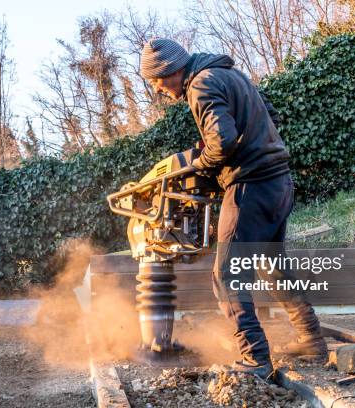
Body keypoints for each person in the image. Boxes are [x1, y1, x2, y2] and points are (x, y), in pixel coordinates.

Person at [139, 38, 327, 380]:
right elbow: (269, 114)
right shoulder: (230, 74)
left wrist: (202, 163)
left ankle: (255, 359)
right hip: (279, 182)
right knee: (273, 267)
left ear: (169, 70)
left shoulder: (200, 84)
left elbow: (222, 141)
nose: (159, 89)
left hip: (250, 187)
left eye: (157, 82)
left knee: (226, 276)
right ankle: (311, 339)